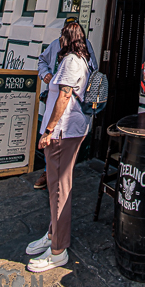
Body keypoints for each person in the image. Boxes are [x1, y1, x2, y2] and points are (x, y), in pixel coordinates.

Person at [25, 21, 92, 273]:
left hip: (63, 131)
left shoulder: (72, 61)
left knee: (59, 189)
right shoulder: (80, 59)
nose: (60, 40)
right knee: (56, 186)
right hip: (68, 129)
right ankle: (52, 233)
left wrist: (49, 130)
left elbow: (64, 96)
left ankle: (58, 250)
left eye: (62, 36)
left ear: (67, 39)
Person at [33, 16, 97, 190]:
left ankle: (55, 177)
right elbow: (42, 60)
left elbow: (93, 71)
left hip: (70, 106)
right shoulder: (55, 45)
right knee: (54, 145)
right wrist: (44, 73)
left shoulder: (81, 52)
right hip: (55, 99)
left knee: (57, 142)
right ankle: (49, 172)